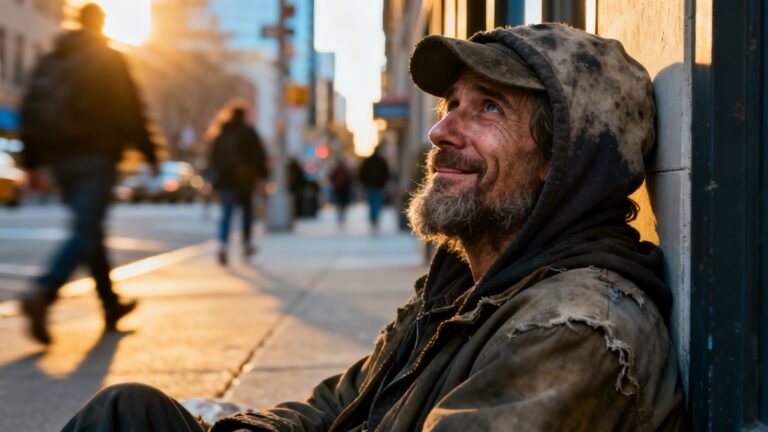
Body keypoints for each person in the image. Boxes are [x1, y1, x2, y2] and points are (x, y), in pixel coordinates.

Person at [61, 23, 683, 431]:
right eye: (451, 106)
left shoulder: (573, 330)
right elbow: (344, 400)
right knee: (131, 412)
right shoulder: (463, 288)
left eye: (489, 107)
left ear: (565, 161)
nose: (442, 133)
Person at [18, 3, 159, 345]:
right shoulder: (109, 59)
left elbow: (31, 110)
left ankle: (110, 305)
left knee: (91, 229)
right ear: (102, 25)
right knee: (86, 229)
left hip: (60, 160)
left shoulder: (52, 60)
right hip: (97, 155)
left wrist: (33, 162)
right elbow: (131, 108)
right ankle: (45, 290)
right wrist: (150, 151)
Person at [207, 104, 268, 265]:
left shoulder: (221, 133)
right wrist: (263, 178)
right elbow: (259, 157)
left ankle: (222, 246)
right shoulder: (249, 132)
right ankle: (246, 244)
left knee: (226, 214)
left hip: (226, 181)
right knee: (247, 214)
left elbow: (213, 160)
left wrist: (214, 182)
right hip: (246, 181)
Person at [358, 145, 390, 231]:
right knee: (377, 202)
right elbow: (386, 173)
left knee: (372, 202)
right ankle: (374, 217)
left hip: (370, 185)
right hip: (379, 186)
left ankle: (373, 217)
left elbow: (361, 173)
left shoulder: (368, 161)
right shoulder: (381, 161)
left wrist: (364, 183)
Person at [328, 156, 354, 226]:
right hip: (344, 189)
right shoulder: (346, 169)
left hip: (338, 188)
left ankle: (340, 213)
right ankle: (342, 213)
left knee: (339, 201)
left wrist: (335, 183)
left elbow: (331, 177)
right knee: (343, 202)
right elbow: (350, 178)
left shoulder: (336, 169)